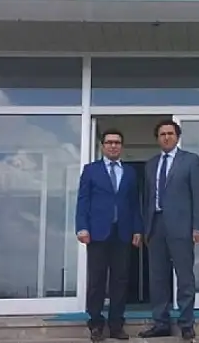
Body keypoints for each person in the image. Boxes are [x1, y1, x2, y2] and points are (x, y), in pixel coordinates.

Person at [139, 120, 199, 341]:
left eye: (170, 133)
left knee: (184, 276)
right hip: (155, 226)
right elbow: (146, 199)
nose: (166, 137)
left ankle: (186, 323)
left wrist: (198, 226)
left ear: (177, 137)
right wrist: (145, 229)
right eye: (162, 134)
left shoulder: (190, 160)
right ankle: (161, 323)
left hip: (181, 227)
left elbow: (198, 195)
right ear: (157, 139)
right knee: (157, 278)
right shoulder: (150, 164)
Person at [76, 128, 143, 342]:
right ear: (102, 146)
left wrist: (137, 229)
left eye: (117, 142)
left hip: (123, 233)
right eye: (109, 142)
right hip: (97, 233)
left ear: (121, 146)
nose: (113, 146)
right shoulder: (91, 170)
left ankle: (116, 325)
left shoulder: (130, 172)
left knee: (120, 280)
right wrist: (82, 227)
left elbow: (135, 204)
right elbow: (83, 200)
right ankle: (96, 324)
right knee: (97, 279)